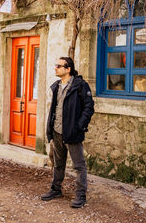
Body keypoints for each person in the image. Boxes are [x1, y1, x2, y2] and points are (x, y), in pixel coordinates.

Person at [41, 57, 94, 208]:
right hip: (57, 131)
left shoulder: (80, 86)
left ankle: (81, 195)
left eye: (58, 66)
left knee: (79, 166)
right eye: (55, 65)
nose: (55, 68)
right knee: (58, 163)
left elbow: (89, 107)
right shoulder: (57, 86)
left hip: (72, 132)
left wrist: (79, 126)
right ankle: (56, 189)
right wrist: (50, 129)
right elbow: (55, 109)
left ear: (68, 69)